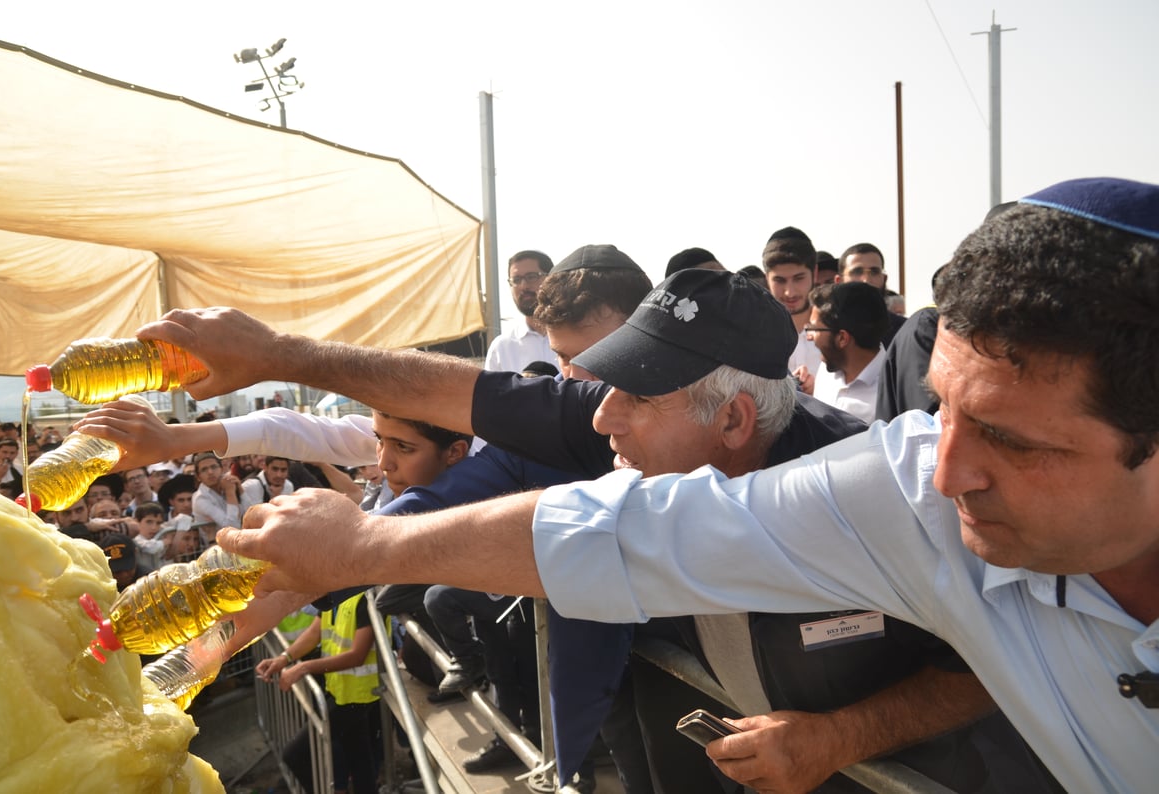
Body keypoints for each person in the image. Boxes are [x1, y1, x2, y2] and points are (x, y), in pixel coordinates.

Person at [209, 177, 1158, 794]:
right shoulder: (902, 491)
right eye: (941, 408)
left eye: (1008, 439)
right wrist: (361, 541)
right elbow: (617, 528)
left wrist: (841, 736)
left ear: (736, 417)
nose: (948, 470)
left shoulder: (862, 469)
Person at [112, 266, 1019, 791]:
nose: (599, 418)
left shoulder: (877, 495)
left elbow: (994, 662)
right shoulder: (638, 441)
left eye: (632, 393)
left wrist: (842, 738)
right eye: (598, 383)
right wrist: (277, 355)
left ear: (736, 422)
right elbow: (463, 401)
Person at [256, 590, 388, 794]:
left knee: (295, 755)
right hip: (341, 691)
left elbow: (357, 655)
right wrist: (284, 658)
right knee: (359, 758)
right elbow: (314, 632)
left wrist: (302, 668)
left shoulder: (364, 598)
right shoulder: (335, 595)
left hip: (360, 696)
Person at [801, 281, 890, 422]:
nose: (809, 336)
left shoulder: (890, 391)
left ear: (842, 338)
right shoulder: (826, 369)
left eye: (814, 328)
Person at [763, 226, 822, 382]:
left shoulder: (837, 331)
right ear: (767, 278)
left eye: (798, 278)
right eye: (779, 280)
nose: (789, 292)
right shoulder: (754, 335)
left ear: (814, 274)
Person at [484, 250, 559, 373]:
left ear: (551, 279)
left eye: (531, 277)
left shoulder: (579, 338)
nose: (524, 286)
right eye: (516, 280)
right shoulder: (502, 348)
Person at [835, 242, 906, 345]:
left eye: (874, 272)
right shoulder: (825, 331)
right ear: (839, 281)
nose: (866, 280)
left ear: (884, 279)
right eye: (857, 272)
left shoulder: (904, 330)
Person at [191, 451, 241, 541]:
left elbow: (249, 511)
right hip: (216, 548)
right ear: (198, 477)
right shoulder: (200, 499)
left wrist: (241, 490)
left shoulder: (227, 482)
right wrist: (230, 492)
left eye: (213, 467)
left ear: (221, 469)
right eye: (204, 469)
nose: (210, 472)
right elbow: (233, 526)